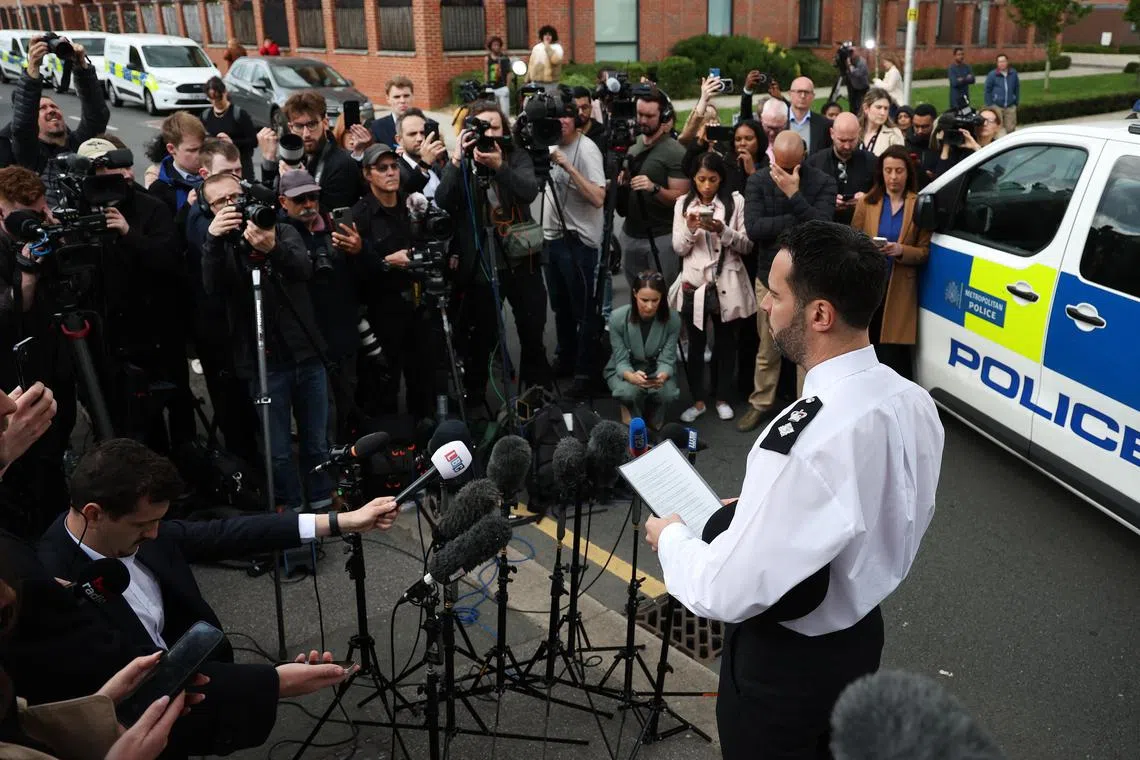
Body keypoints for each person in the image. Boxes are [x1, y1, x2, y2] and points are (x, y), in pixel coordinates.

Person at [645, 220, 944, 760]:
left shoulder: (804, 440)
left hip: (784, 674)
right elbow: (875, 512)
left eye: (776, 295)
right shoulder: (913, 401)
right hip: (858, 642)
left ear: (820, 315)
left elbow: (724, 590)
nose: (765, 306)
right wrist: (763, 509)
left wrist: (671, 538)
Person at [37, 438, 397, 756]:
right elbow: (142, 676)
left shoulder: (144, 530)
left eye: (159, 520)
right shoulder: (51, 582)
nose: (155, 533)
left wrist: (340, 522)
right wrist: (277, 682)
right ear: (94, 514)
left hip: (196, 697)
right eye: (142, 525)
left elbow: (228, 532)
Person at [200, 172, 333, 512]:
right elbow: (212, 289)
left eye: (235, 196)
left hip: (306, 354)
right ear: (209, 209)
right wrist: (214, 241)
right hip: (263, 364)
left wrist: (271, 247)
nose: (231, 205)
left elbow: (303, 268)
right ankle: (290, 512)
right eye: (220, 202)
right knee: (277, 451)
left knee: (316, 442)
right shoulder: (220, 246)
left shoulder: (280, 228)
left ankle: (321, 504)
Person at [74, 138, 195, 455]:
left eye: (123, 166)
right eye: (107, 168)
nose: (122, 174)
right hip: (108, 337)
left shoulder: (150, 207)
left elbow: (170, 261)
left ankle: (188, 471)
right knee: (131, 422)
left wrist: (129, 235)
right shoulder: (79, 210)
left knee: (176, 410)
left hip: (158, 331)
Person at [435, 100, 552, 404]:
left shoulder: (516, 156)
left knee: (532, 332)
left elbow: (529, 190)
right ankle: (474, 398)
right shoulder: (463, 163)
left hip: (521, 261)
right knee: (482, 339)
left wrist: (500, 167)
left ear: (505, 129)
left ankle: (536, 395)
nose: (489, 134)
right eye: (482, 127)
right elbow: (444, 201)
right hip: (482, 266)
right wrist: (458, 160)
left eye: (495, 127)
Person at [738, 132, 836, 433]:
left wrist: (794, 195)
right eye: (779, 165)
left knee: (806, 349)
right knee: (767, 347)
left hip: (810, 279)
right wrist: (797, 219)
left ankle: (805, 408)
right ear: (771, 157)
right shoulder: (756, 181)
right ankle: (760, 402)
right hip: (769, 279)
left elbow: (824, 227)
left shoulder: (822, 182)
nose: (782, 172)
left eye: (790, 167)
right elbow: (754, 229)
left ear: (802, 159)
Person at [334, 144, 435, 420]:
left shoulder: (413, 204)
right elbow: (350, 276)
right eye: (382, 168)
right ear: (367, 174)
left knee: (423, 382)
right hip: (381, 314)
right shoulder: (359, 216)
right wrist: (383, 261)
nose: (391, 173)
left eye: (393, 167)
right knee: (382, 388)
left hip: (419, 306)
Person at [671, 152, 756, 424]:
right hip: (694, 283)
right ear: (693, 179)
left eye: (713, 179)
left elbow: (747, 245)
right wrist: (691, 228)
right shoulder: (682, 204)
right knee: (695, 345)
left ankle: (721, 397)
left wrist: (723, 230)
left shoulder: (735, 202)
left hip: (726, 282)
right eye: (701, 179)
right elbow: (679, 248)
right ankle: (698, 400)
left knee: (725, 343)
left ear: (722, 178)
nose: (707, 186)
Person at [278, 169, 360, 441]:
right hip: (307, 341)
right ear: (283, 202)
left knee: (347, 406)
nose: (308, 205)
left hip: (341, 334)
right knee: (320, 420)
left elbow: (363, 276)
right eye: (300, 200)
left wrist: (357, 251)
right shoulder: (278, 234)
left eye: (313, 198)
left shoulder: (336, 226)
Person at [542, 94, 606, 398]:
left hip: (579, 241)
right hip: (552, 239)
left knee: (583, 311)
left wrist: (568, 166)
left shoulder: (587, 149)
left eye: (567, 115)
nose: (561, 121)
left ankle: (585, 373)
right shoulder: (546, 142)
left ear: (577, 118)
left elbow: (598, 197)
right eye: (556, 116)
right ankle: (566, 360)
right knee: (561, 309)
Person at [851, 146, 931, 381]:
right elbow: (852, 241)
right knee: (868, 348)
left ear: (908, 173)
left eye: (899, 171)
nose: (893, 177)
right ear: (881, 173)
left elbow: (924, 252)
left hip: (899, 289)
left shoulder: (916, 205)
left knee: (895, 355)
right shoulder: (867, 202)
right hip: (870, 286)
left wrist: (900, 250)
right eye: (888, 171)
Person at [3, 34, 109, 205]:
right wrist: (33, 68)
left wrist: (81, 68)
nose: (51, 110)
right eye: (42, 109)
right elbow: (23, 127)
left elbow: (97, 115)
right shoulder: (30, 156)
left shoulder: (79, 144)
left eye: (53, 106)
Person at [617, 88, 690, 289]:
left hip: (661, 238)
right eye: (640, 114)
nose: (643, 120)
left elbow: (681, 198)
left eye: (649, 116)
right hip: (631, 234)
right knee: (638, 297)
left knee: (664, 295)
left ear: (663, 117)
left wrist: (654, 188)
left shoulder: (674, 152)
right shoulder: (633, 144)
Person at [258, 91, 365, 212]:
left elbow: (325, 219)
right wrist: (269, 161)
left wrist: (298, 184)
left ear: (325, 123)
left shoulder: (342, 163)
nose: (306, 134)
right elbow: (271, 205)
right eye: (298, 126)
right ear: (290, 127)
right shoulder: (291, 157)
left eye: (312, 124)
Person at [604, 272, 681, 426]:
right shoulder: (617, 318)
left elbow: (667, 358)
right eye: (644, 300)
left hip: (656, 369)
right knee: (627, 392)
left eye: (655, 300)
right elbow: (621, 360)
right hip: (628, 368)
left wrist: (663, 375)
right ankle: (628, 405)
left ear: (662, 297)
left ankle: (653, 409)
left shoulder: (673, 319)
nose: (649, 306)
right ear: (634, 294)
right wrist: (630, 376)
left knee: (668, 393)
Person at [806, 112, 876, 226]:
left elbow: (883, 194)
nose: (847, 146)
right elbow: (805, 199)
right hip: (825, 229)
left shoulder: (871, 161)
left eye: (852, 140)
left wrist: (866, 199)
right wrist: (827, 201)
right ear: (832, 134)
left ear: (859, 133)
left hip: (861, 229)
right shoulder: (814, 163)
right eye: (842, 140)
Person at [148, 112, 205, 216]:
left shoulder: (216, 173)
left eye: (203, 148)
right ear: (171, 149)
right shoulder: (159, 190)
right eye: (192, 150)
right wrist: (188, 208)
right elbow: (165, 230)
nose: (200, 155)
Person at [200, 76, 257, 180]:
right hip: (218, 166)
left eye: (218, 98)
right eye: (212, 99)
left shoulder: (238, 114)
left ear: (225, 92)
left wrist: (232, 142)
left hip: (241, 164)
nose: (216, 102)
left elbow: (253, 141)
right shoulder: (206, 115)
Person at [395, 108, 447, 198]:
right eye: (412, 134)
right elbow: (408, 193)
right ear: (399, 140)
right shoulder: (396, 169)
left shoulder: (436, 165)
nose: (419, 138)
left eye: (423, 133)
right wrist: (424, 164)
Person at [784, 77, 832, 155]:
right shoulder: (779, 120)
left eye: (806, 92)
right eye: (799, 91)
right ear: (790, 94)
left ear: (813, 96)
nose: (803, 96)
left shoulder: (824, 124)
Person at [370, 76, 415, 149]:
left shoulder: (427, 125)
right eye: (397, 97)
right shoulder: (376, 128)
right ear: (388, 99)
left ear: (413, 97)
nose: (402, 101)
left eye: (406, 96)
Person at [859, 88, 905, 157]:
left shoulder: (894, 134)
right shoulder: (855, 130)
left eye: (886, 108)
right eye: (878, 107)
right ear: (866, 108)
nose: (883, 113)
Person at [904, 103, 939, 187]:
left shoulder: (942, 145)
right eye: (916, 126)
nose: (919, 131)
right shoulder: (906, 144)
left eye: (925, 127)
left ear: (934, 123)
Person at [528, 25, 563, 93]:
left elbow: (555, 61)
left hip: (551, 83)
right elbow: (531, 64)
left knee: (549, 101)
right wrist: (527, 79)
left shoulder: (557, 47)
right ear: (542, 36)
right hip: (536, 82)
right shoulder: (536, 47)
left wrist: (547, 47)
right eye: (545, 34)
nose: (547, 36)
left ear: (553, 36)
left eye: (549, 35)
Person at [486, 36, 513, 116]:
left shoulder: (504, 58)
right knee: (492, 111)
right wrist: (486, 86)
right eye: (494, 45)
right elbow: (486, 72)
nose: (496, 47)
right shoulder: (488, 58)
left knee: (505, 112)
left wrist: (507, 87)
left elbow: (508, 73)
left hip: (502, 87)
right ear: (491, 46)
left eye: (498, 45)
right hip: (491, 88)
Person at [758, 97, 788, 165]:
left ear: (786, 123)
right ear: (761, 119)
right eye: (768, 127)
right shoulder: (754, 141)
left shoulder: (794, 144)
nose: (772, 133)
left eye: (776, 128)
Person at [844, 48, 871, 114]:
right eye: (850, 52)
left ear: (857, 52)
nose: (851, 54)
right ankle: (853, 115)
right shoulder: (850, 60)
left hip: (862, 86)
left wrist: (849, 65)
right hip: (853, 85)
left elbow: (858, 73)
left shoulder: (862, 62)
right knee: (852, 103)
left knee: (861, 104)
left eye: (852, 52)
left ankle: (861, 116)